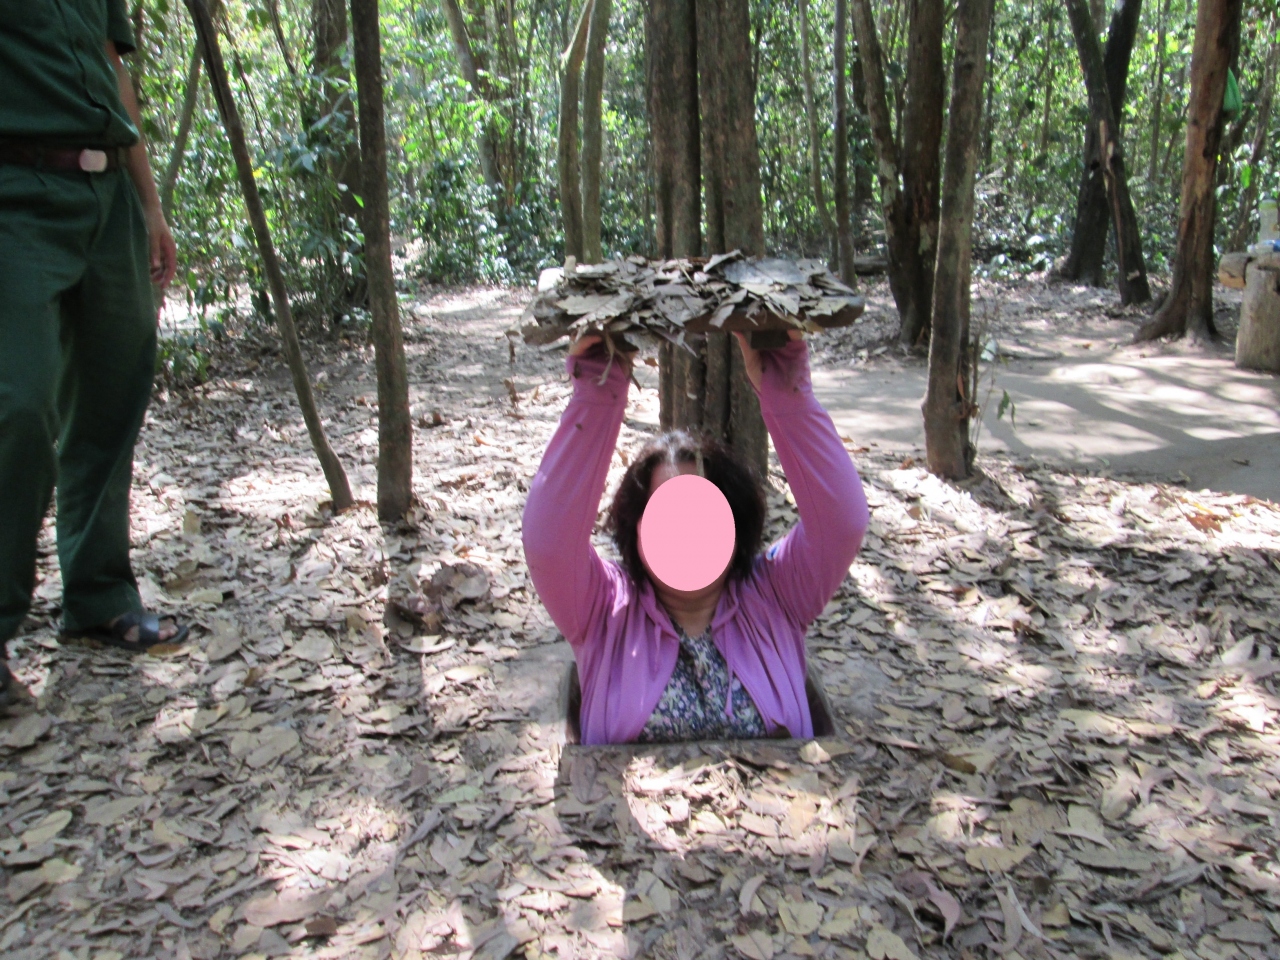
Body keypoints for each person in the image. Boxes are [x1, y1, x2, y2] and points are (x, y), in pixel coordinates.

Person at [522, 329, 870, 745]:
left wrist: (785, 390)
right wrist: (599, 389)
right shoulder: (601, 608)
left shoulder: (778, 592)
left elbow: (842, 522)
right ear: (637, 530)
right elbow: (549, 544)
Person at [0, 1, 191, 713]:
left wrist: (150, 205)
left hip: (107, 193)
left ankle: (98, 596)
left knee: (114, 391)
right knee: (19, 404)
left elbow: (113, 70)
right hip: (16, 194)